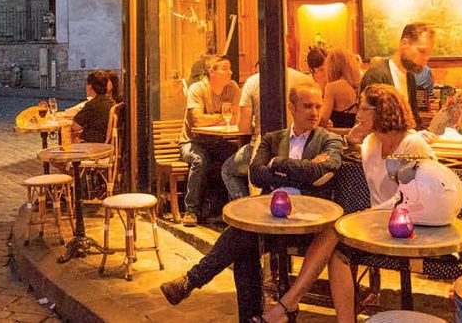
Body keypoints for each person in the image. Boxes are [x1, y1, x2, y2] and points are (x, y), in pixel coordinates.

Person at [160, 83, 343, 322]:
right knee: (243, 237)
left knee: (242, 241)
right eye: (307, 106)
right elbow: (256, 173)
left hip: (308, 225)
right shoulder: (272, 138)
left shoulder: (330, 140)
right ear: (292, 108)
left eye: (318, 106)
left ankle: (192, 281)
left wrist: (279, 163)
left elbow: (326, 168)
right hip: (269, 219)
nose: (315, 112)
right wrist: (305, 171)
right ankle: (250, 317)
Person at [254, 83, 435, 323]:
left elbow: (413, 196)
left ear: (381, 111)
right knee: (337, 248)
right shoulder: (371, 145)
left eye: (362, 109)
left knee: (335, 230)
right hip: (378, 225)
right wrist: (346, 142)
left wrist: (366, 215)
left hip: (414, 225)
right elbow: (336, 159)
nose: (357, 115)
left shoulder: (412, 145)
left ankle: (285, 306)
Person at [221, 60, 309, 201]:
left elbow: (243, 127)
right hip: (301, 146)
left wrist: (255, 124)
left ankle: (242, 211)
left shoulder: (252, 82)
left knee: (227, 170)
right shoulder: (305, 80)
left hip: (261, 148)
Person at [178, 55, 241, 226]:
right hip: (191, 142)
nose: (230, 72)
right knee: (199, 160)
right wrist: (222, 117)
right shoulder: (197, 89)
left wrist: (213, 118)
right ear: (211, 72)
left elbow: (236, 117)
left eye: (230, 68)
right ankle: (190, 211)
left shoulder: (233, 88)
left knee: (238, 157)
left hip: (217, 141)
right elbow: (197, 122)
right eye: (225, 68)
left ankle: (231, 208)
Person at [360, 22, 434, 128]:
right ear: (404, 44)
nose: (426, 58)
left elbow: (413, 120)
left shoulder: (410, 77)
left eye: (428, 53)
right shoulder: (376, 76)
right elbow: (371, 125)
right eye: (421, 51)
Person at [320, 48, 362, 128]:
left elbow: (323, 120)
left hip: (340, 137)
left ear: (332, 66)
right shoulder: (361, 84)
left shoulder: (332, 87)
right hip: (360, 137)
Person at [72, 70, 114, 143]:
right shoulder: (111, 102)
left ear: (90, 86)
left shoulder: (92, 105)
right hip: (105, 142)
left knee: (69, 137)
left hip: (93, 145)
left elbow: (75, 126)